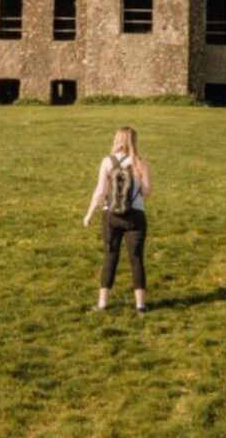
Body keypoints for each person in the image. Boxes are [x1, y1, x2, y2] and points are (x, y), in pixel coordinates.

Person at [83, 126, 151, 312]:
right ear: (133, 141)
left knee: (110, 257)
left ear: (117, 140)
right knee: (136, 259)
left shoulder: (107, 162)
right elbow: (147, 192)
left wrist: (89, 214)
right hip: (135, 216)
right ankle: (140, 304)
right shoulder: (140, 163)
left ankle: (103, 302)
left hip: (111, 215)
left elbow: (100, 191)